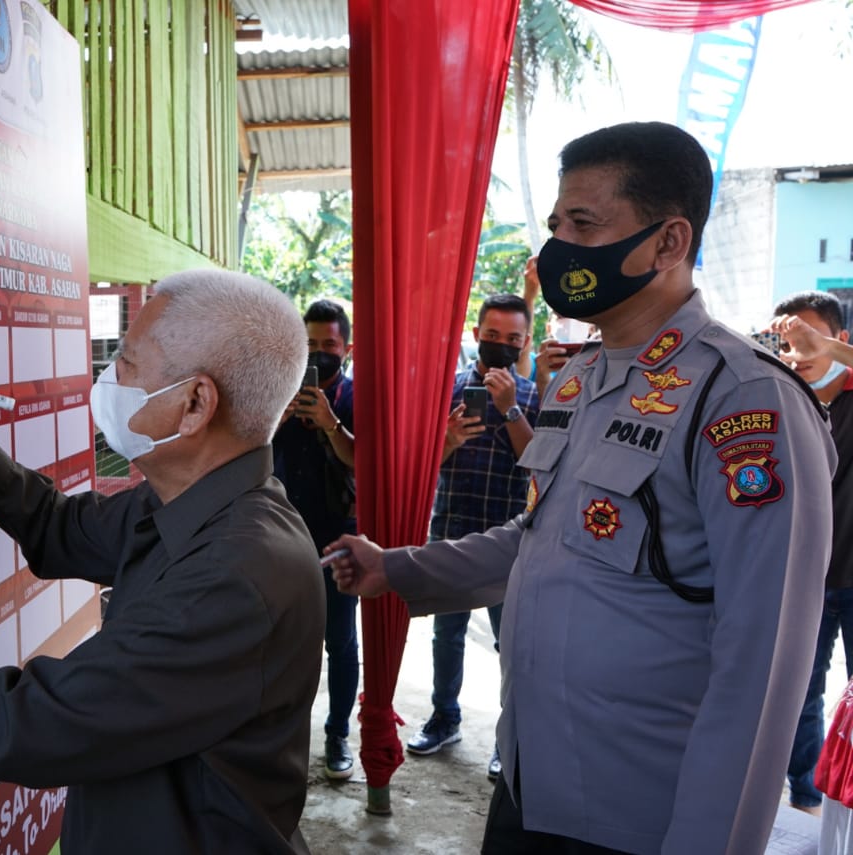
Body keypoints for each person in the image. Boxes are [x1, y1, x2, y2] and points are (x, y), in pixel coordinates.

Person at [327, 121, 836, 854]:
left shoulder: (745, 398)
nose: (556, 248)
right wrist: (397, 567)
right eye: (555, 224)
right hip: (531, 784)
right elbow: (541, 539)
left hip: (642, 815)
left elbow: (764, 661)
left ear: (668, 242)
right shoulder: (576, 380)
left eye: (584, 224)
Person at [0, 270, 326, 854]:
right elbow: (62, 529)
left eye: (125, 362)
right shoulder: (200, 500)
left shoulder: (234, 578)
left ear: (194, 404)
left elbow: (17, 728)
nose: (107, 378)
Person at [404, 292, 538, 787]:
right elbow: (420, 468)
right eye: (491, 336)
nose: (500, 346)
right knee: (446, 636)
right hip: (452, 532)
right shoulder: (446, 389)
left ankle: (509, 741)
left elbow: (541, 464)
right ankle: (444, 719)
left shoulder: (534, 394)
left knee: (512, 643)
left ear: (524, 342)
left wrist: (509, 410)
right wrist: (449, 439)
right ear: (476, 333)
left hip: (510, 541)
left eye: (512, 339)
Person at [771, 292, 853, 817]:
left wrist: (827, 351)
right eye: (789, 338)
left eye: (810, 337)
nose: (798, 349)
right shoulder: (778, 397)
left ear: (839, 339)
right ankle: (806, 799)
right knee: (799, 691)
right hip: (805, 578)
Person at [272, 299, 358, 780]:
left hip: (338, 539)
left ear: (346, 348)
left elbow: (362, 462)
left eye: (329, 345)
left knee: (340, 642)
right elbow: (249, 452)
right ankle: (284, 738)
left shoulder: (355, 397)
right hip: (280, 534)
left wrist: (332, 424)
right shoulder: (275, 392)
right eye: (311, 345)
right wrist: (275, 420)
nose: (319, 354)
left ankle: (338, 733)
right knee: (281, 641)